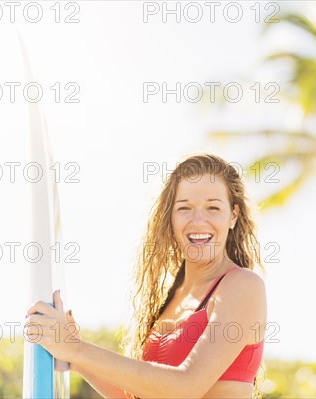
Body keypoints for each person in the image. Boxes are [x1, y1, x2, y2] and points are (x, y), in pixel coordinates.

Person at [25, 153, 267, 398]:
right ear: (169, 218)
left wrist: (76, 349)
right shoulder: (172, 296)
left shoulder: (242, 286)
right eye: (184, 208)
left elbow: (185, 387)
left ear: (233, 215)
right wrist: (76, 360)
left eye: (213, 207)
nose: (198, 220)